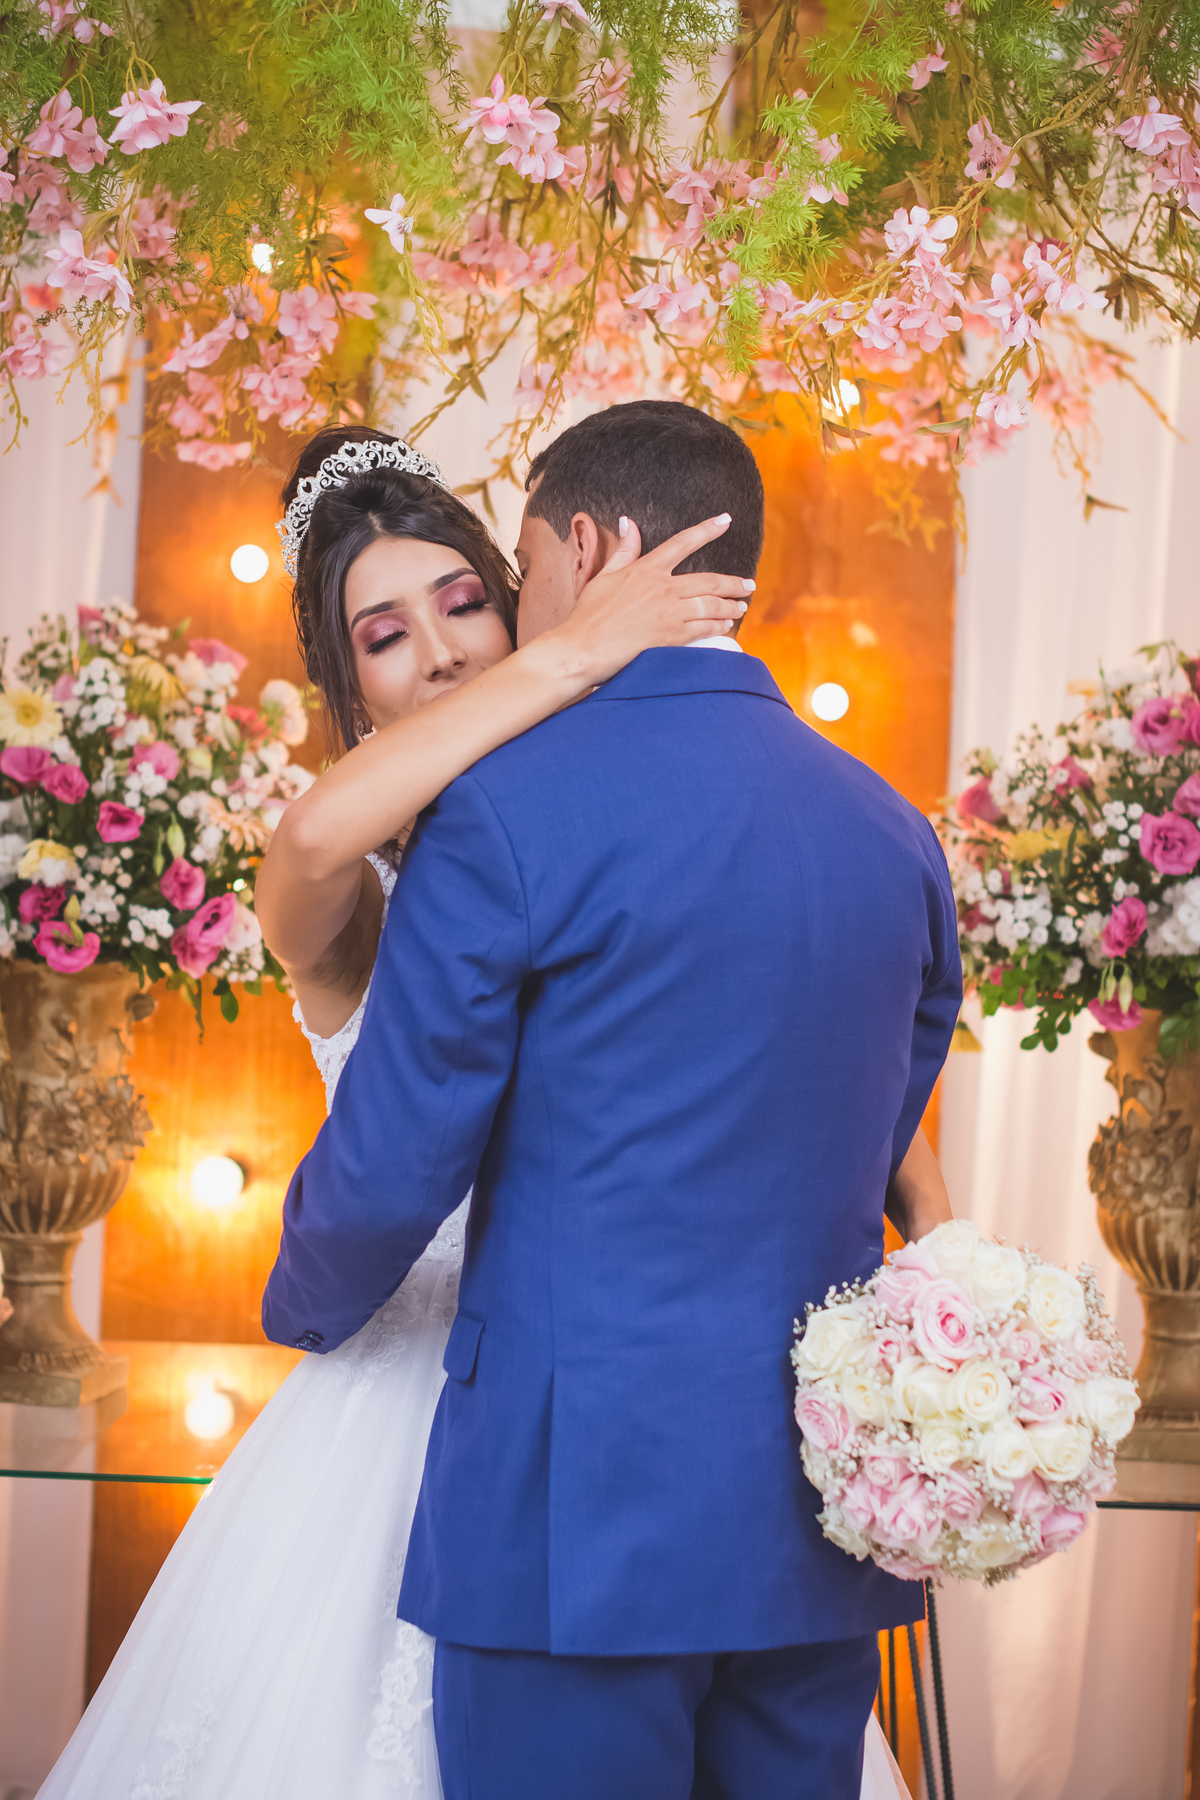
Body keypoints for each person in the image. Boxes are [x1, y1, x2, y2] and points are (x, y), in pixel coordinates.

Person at [32, 425, 759, 1800]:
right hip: (398, 1389)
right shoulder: (345, 890)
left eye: (464, 603)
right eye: (385, 634)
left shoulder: (620, 829)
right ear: (351, 688)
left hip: (605, 1389)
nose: (438, 651)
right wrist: (574, 654)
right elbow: (311, 838)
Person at [262, 400, 960, 1800]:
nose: (456, 642)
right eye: (385, 632)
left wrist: (301, 1303)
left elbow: (395, 1164)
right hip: (802, 1509)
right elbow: (878, 1115)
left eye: (490, 589)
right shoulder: (895, 828)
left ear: (579, 552)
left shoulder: (503, 819)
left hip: (565, 1493)